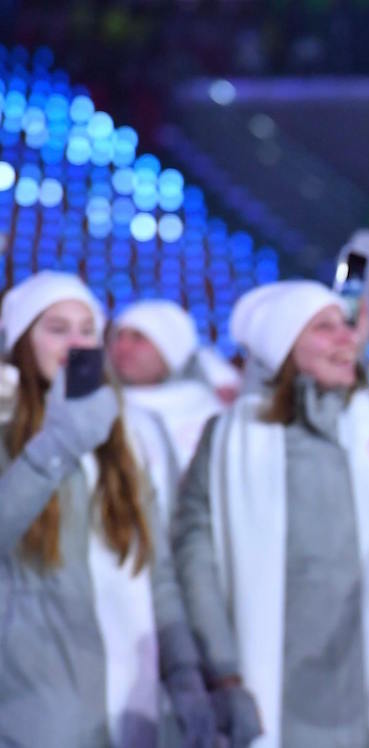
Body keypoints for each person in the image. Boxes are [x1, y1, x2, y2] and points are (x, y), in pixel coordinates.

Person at [172, 280, 369, 748]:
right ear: (282, 347)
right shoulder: (227, 438)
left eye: (347, 327)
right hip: (279, 698)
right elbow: (193, 563)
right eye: (324, 328)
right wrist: (224, 673)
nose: (347, 338)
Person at [0, 271, 214, 747]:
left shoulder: (128, 432)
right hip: (32, 708)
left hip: (129, 705)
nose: (76, 343)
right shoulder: (5, 423)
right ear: (20, 341)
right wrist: (56, 444)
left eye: (87, 330)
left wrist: (184, 676)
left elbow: (156, 570)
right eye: (57, 329)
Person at [110, 299, 225, 470]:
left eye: (138, 338)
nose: (122, 347)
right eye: (119, 337)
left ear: (170, 349)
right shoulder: (102, 411)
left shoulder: (212, 414)